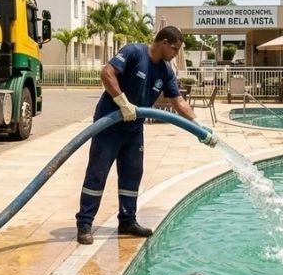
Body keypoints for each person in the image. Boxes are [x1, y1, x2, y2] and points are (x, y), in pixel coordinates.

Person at [76, 26, 215, 245]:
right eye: (175, 49)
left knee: (133, 174)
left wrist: (199, 125)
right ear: (165, 43)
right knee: (97, 173)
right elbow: (107, 72)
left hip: (134, 129)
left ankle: (127, 220)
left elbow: (177, 100)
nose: (176, 54)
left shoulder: (166, 70)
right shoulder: (134, 52)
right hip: (109, 125)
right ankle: (85, 224)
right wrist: (122, 102)